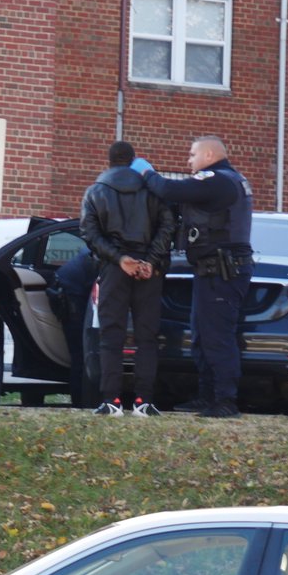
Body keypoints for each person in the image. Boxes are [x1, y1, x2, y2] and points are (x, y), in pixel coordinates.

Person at [131, 135, 253, 418]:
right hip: (212, 270)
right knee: (202, 335)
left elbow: (168, 189)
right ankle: (207, 396)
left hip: (222, 270)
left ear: (209, 154)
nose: (189, 161)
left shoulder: (217, 179)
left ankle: (225, 401)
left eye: (192, 154)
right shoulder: (228, 180)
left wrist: (145, 171)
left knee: (217, 337)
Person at [79, 140, 176, 416]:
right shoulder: (152, 192)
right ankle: (144, 401)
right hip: (148, 269)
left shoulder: (96, 191)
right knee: (147, 336)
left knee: (111, 335)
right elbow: (168, 225)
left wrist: (120, 259)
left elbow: (89, 233)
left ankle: (112, 400)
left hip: (114, 268)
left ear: (109, 161)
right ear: (134, 161)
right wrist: (151, 260)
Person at [47, 248, 100, 408]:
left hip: (66, 289)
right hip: (71, 295)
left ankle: (81, 400)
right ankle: (81, 402)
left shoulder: (96, 251)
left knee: (79, 353)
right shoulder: (105, 255)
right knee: (80, 353)